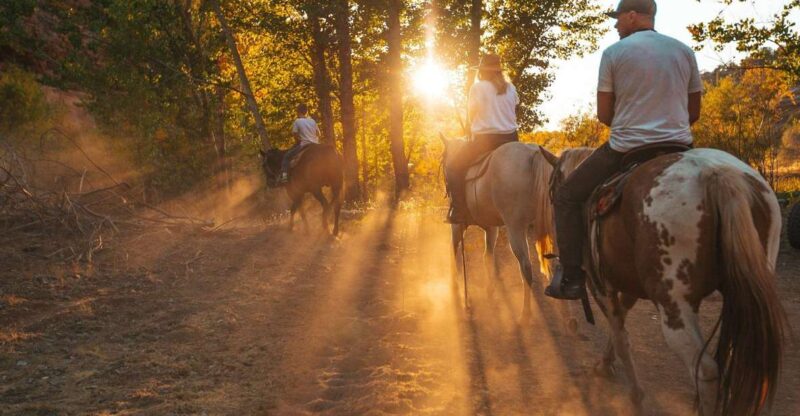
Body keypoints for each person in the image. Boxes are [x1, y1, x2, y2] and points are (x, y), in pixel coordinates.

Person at [544, 0, 703, 300]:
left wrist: (637, 122)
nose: (616, 24)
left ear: (632, 16)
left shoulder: (614, 53)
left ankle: (572, 278)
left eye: (618, 18)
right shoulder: (684, 51)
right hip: (679, 146)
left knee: (566, 195)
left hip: (627, 148)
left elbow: (605, 115)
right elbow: (693, 112)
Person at [446, 53, 520, 224]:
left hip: (486, 141)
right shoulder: (511, 88)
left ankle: (459, 211)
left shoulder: (478, 88)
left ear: (482, 71)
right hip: (511, 139)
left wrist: (474, 125)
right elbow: (513, 109)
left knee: (453, 167)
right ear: (498, 71)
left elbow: (472, 114)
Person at [279, 103, 321, 184]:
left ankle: (284, 178)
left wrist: (299, 141)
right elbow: (319, 134)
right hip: (316, 144)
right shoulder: (312, 121)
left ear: (298, 111)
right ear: (306, 111)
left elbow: (295, 134)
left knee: (286, 157)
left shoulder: (297, 121)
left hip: (304, 144)